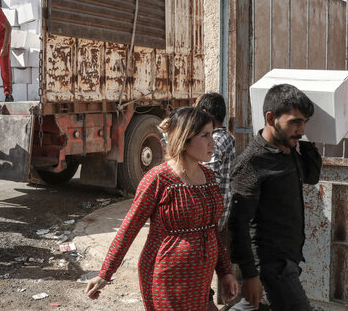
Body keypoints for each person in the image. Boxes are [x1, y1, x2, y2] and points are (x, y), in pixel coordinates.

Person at [86, 107, 238, 310]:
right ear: (185, 140)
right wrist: (105, 273)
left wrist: (225, 271)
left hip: (200, 280)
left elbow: (210, 229)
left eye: (212, 134)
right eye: (205, 135)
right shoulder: (158, 179)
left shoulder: (209, 177)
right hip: (167, 278)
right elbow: (129, 228)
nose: (213, 142)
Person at [228, 84, 322, 311]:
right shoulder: (252, 162)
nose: (301, 129)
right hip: (271, 264)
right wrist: (250, 275)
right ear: (270, 118)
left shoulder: (287, 150)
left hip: (289, 256)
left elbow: (311, 176)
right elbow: (237, 223)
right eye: (295, 122)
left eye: (305, 123)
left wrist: (306, 141)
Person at [197, 92, 236, 310]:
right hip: (223, 212)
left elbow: (206, 179)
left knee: (204, 264)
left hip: (210, 216)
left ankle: (207, 299)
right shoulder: (228, 138)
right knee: (216, 259)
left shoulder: (213, 141)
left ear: (204, 114)